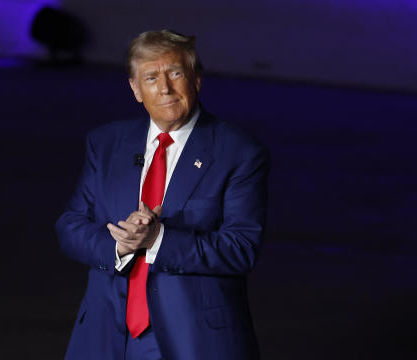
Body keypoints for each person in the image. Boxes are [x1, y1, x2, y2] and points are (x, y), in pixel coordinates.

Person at [55, 30, 269, 360]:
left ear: (197, 79)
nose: (165, 88)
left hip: (191, 341)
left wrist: (158, 239)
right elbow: (70, 226)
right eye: (151, 77)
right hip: (105, 336)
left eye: (176, 73)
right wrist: (119, 245)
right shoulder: (106, 143)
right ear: (135, 89)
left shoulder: (238, 152)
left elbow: (241, 248)